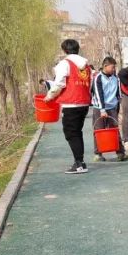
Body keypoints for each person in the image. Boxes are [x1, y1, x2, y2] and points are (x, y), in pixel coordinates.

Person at [43, 39, 93, 174]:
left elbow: (59, 84)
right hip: (84, 103)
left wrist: (49, 96)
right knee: (77, 132)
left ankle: (79, 164)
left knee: (71, 133)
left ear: (64, 50)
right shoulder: (86, 66)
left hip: (71, 103)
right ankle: (80, 162)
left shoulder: (65, 63)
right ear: (77, 49)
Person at [90, 56, 128, 162]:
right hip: (99, 108)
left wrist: (119, 106)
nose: (114, 69)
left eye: (114, 67)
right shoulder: (98, 77)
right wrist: (102, 109)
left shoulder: (116, 78)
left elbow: (118, 94)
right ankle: (98, 154)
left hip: (112, 107)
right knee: (99, 130)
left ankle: (120, 152)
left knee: (115, 129)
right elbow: (98, 94)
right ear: (105, 66)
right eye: (112, 67)